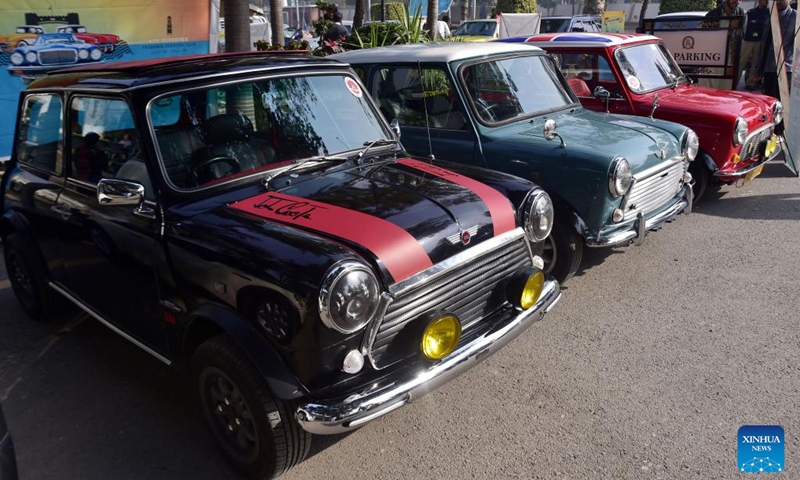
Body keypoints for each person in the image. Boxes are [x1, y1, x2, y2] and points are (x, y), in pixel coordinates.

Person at [754, 0, 797, 100]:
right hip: (768, 69)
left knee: (784, 105)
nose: (777, 2)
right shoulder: (769, 19)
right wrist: (759, 69)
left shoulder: (796, 18)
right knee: (770, 103)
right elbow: (764, 45)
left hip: (787, 70)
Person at [742, 0, 770, 90]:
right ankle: (733, 81)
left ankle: (750, 83)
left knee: (755, 63)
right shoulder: (750, 12)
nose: (765, 1)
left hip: (760, 41)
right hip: (748, 40)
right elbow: (744, 26)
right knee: (741, 61)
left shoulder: (769, 13)